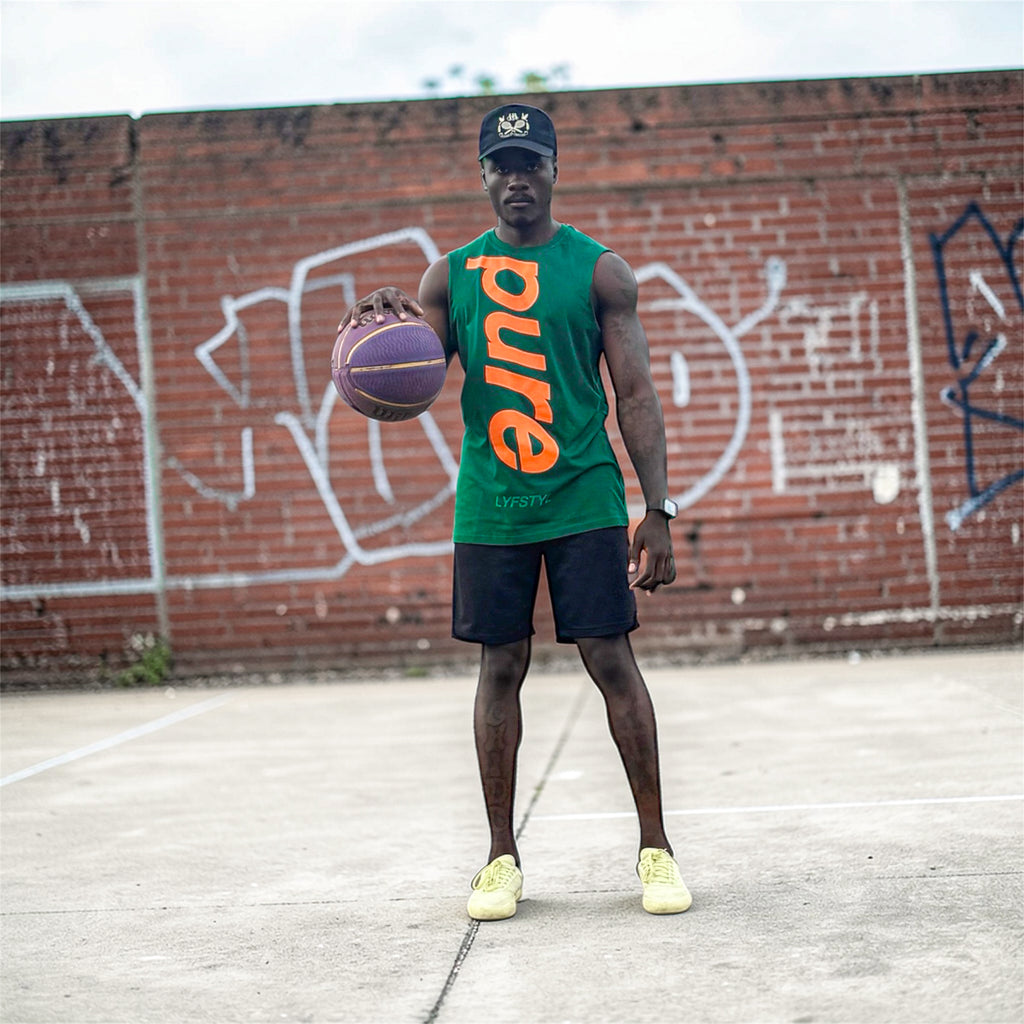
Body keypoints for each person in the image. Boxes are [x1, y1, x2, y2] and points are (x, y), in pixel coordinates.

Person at [341, 104, 691, 920]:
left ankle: (656, 850)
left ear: (555, 169)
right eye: (502, 165)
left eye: (531, 162)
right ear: (485, 175)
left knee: (610, 659)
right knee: (500, 666)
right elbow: (411, 381)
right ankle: (500, 858)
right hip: (492, 505)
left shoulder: (601, 271)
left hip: (582, 496)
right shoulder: (450, 276)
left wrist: (659, 508)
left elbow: (634, 394)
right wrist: (386, 327)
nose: (517, 178)